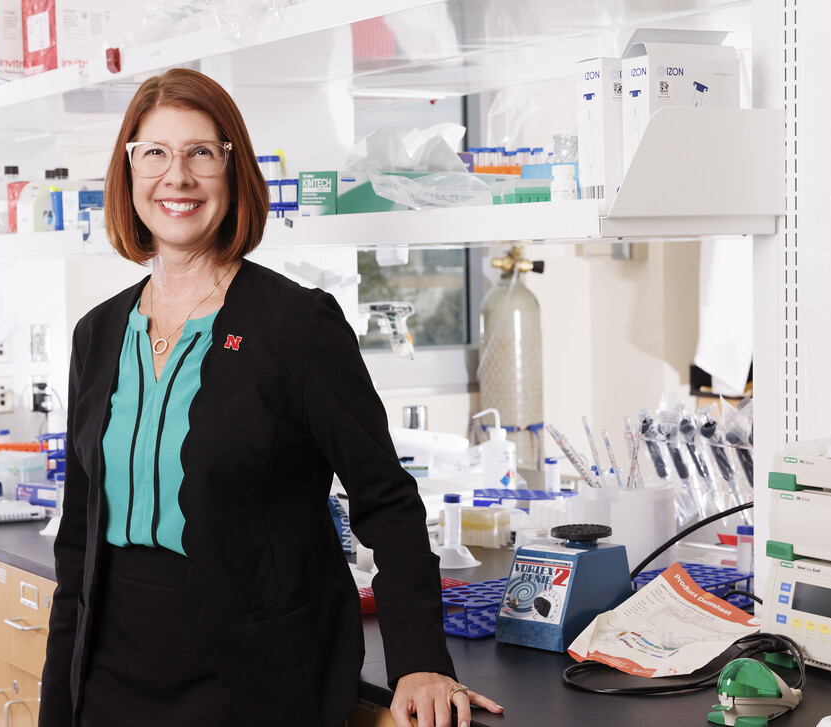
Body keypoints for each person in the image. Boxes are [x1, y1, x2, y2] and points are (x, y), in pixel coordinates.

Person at [38, 67, 503, 727]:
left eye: (201, 152)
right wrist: (58, 708)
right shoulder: (99, 333)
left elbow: (387, 501)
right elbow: (78, 547)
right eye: (155, 154)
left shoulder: (297, 326)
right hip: (112, 677)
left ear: (234, 169)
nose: (178, 177)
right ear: (128, 171)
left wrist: (421, 659)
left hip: (251, 682)